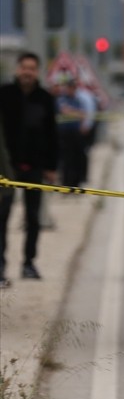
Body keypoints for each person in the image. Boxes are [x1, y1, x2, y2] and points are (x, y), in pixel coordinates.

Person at [0, 52, 60, 284]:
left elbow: (52, 135)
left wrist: (51, 166)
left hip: (34, 167)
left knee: (33, 217)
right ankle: (1, 267)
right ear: (17, 69)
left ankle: (28, 263)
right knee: (2, 217)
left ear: (38, 72)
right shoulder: (4, 94)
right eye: (24, 68)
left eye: (32, 68)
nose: (27, 72)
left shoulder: (45, 98)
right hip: (6, 168)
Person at [55, 75, 86, 188]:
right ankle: (66, 183)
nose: (72, 89)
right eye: (70, 87)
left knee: (77, 158)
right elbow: (65, 111)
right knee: (66, 160)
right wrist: (76, 113)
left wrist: (77, 114)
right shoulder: (62, 99)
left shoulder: (77, 99)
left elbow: (83, 114)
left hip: (76, 132)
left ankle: (76, 183)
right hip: (64, 133)